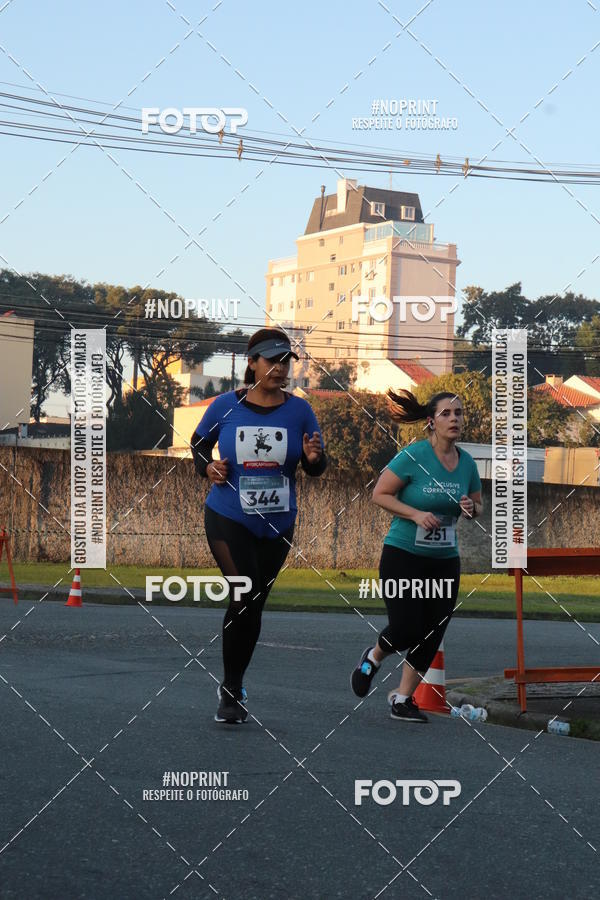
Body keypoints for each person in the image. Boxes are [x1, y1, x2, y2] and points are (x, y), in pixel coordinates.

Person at [191, 327, 327, 724]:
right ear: (252, 363)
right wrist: (209, 467)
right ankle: (231, 690)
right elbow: (199, 445)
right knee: (244, 595)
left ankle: (235, 682)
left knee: (255, 605)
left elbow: (316, 467)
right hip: (228, 515)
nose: (280, 369)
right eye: (272, 361)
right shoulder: (224, 406)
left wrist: (314, 457)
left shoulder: (299, 410)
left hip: (278, 522)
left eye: (286, 362)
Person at [350, 388, 483, 722]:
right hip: (403, 554)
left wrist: (470, 508)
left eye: (459, 413)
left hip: (444, 559)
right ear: (431, 422)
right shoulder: (414, 456)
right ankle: (374, 655)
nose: (455, 419)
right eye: (447, 414)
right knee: (407, 626)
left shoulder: (466, 463)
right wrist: (414, 514)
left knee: (434, 630)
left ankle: (402, 699)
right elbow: (380, 494)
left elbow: (478, 504)